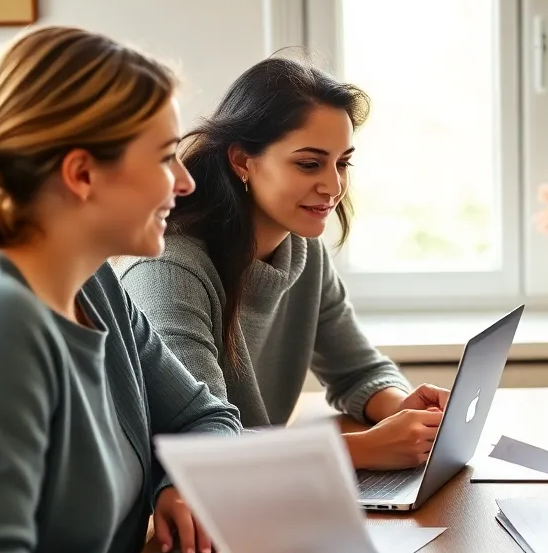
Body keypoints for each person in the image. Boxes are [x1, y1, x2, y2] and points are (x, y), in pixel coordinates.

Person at [0, 26, 307, 553]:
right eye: (167, 158)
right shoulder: (10, 326)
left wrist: (176, 482)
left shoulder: (97, 284)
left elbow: (207, 416)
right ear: (82, 174)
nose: (189, 183)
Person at [120, 55, 450, 483]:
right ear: (242, 161)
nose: (333, 186)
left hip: (270, 482)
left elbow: (358, 370)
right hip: (202, 505)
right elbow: (200, 446)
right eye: (309, 164)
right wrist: (366, 448)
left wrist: (400, 406)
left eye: (342, 162)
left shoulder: (301, 250)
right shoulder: (168, 271)